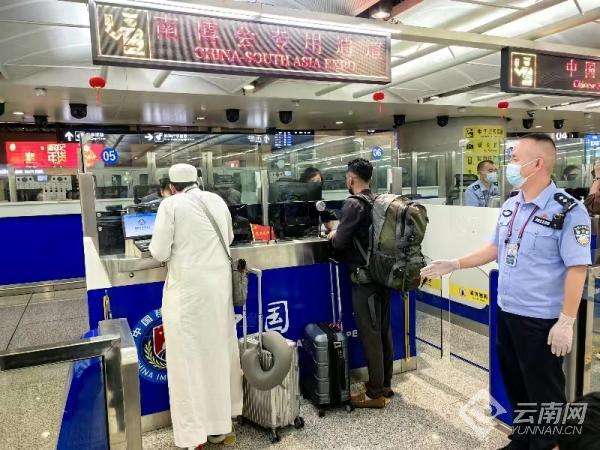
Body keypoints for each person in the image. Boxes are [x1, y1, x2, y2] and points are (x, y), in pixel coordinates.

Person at [421, 134, 591, 450]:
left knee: (544, 391)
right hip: (507, 310)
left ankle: (548, 445)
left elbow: (577, 268)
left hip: (540, 319)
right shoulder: (512, 205)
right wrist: (455, 263)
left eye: (514, 159)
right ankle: (524, 438)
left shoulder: (569, 210)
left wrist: (566, 320)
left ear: (537, 164)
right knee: (516, 382)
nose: (508, 165)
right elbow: (494, 249)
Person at [149, 164, 242, 450]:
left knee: (187, 362)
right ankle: (221, 427)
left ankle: (194, 436)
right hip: (218, 292)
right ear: (197, 181)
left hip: (187, 295)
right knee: (217, 355)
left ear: (171, 186)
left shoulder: (170, 205)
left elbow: (159, 251)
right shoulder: (217, 200)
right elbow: (228, 238)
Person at [327, 158, 392, 409]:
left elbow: (340, 243)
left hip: (364, 280)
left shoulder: (354, 203)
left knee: (370, 334)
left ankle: (375, 393)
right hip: (383, 276)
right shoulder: (378, 201)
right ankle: (384, 384)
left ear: (351, 179)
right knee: (383, 330)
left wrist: (335, 233)